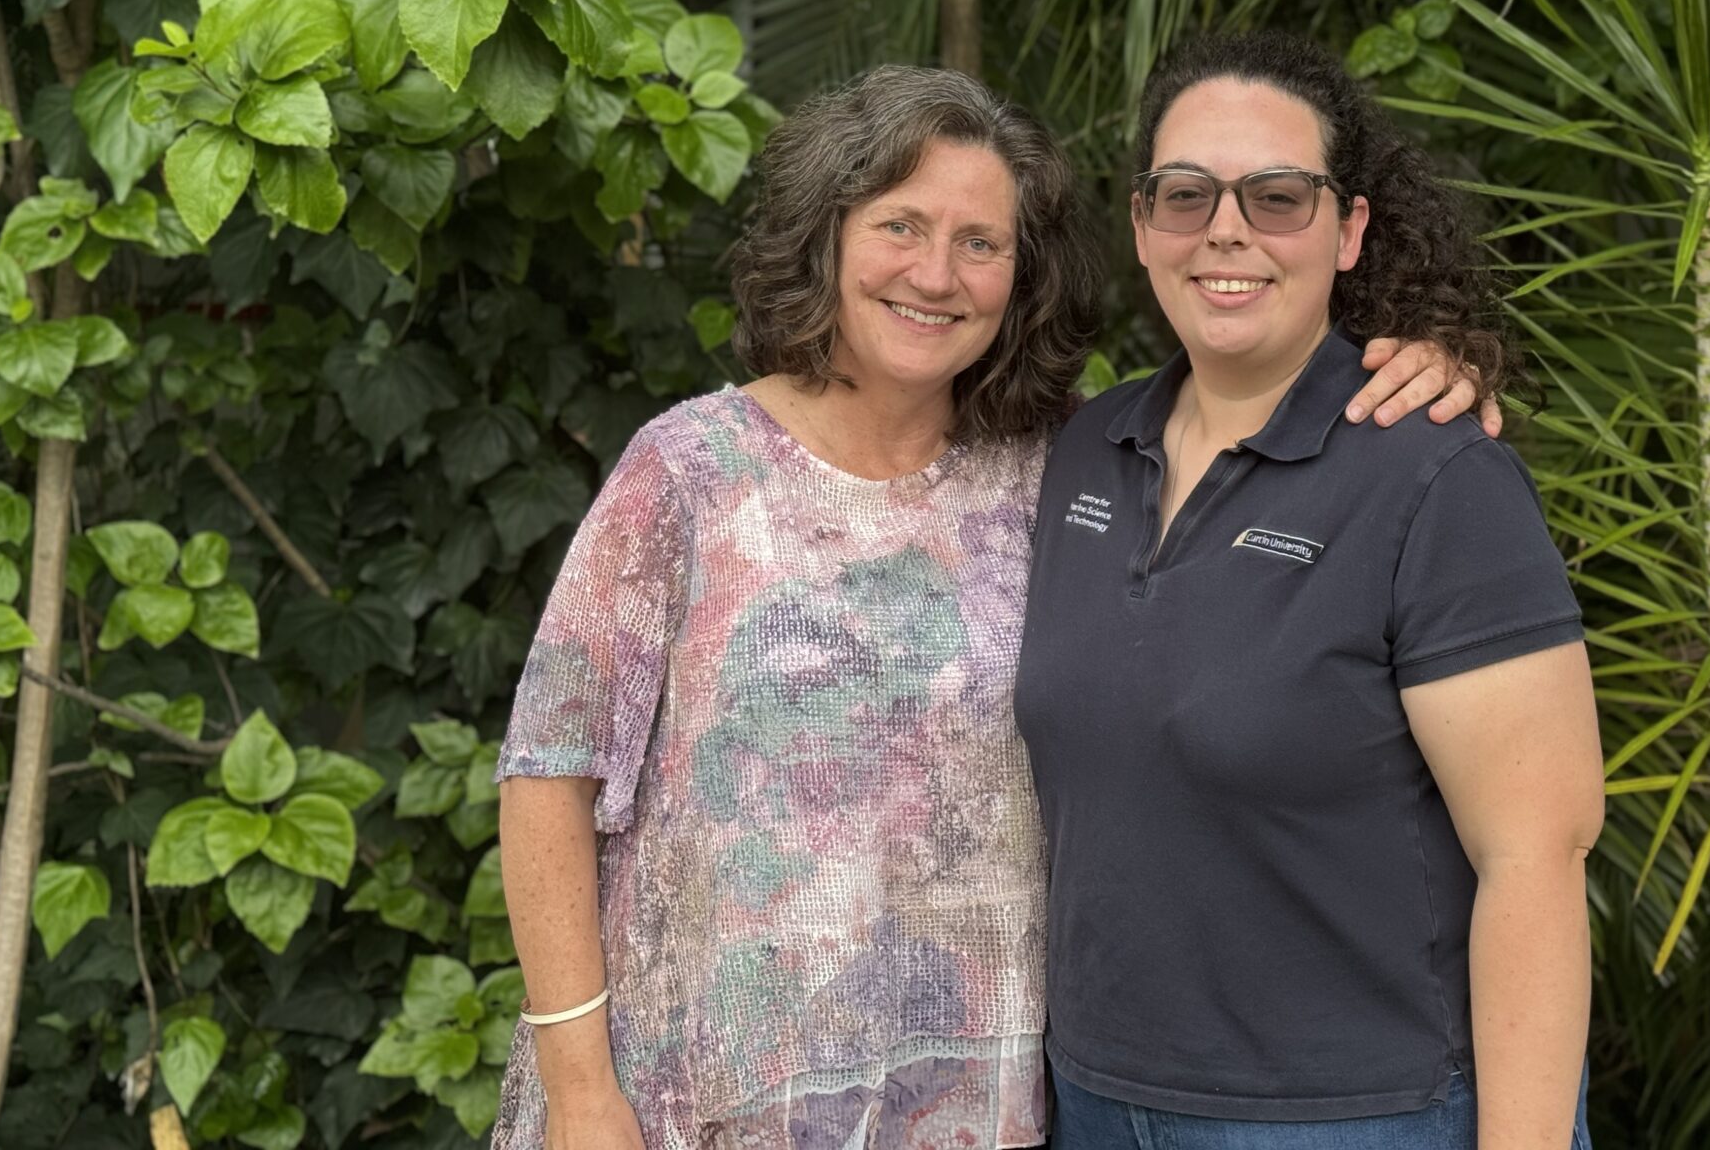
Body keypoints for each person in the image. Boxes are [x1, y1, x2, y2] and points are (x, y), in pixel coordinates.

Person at [490, 65, 1499, 1150]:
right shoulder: (688, 473)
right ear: (824, 236)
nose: (935, 274)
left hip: (983, 1115)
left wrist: (1422, 367)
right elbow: (551, 768)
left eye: (980, 242)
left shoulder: (1070, 473)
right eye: (900, 226)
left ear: (1022, 278)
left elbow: (1251, 410)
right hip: (694, 1100)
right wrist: (581, 1087)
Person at [1016, 32, 1603, 1150]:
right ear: (1141, 227)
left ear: (1348, 231)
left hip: (1358, 1116)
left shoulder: (1434, 472)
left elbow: (1536, 852)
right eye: (1184, 195)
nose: (1225, 229)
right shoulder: (1084, 451)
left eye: (1277, 195)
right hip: (1090, 1103)